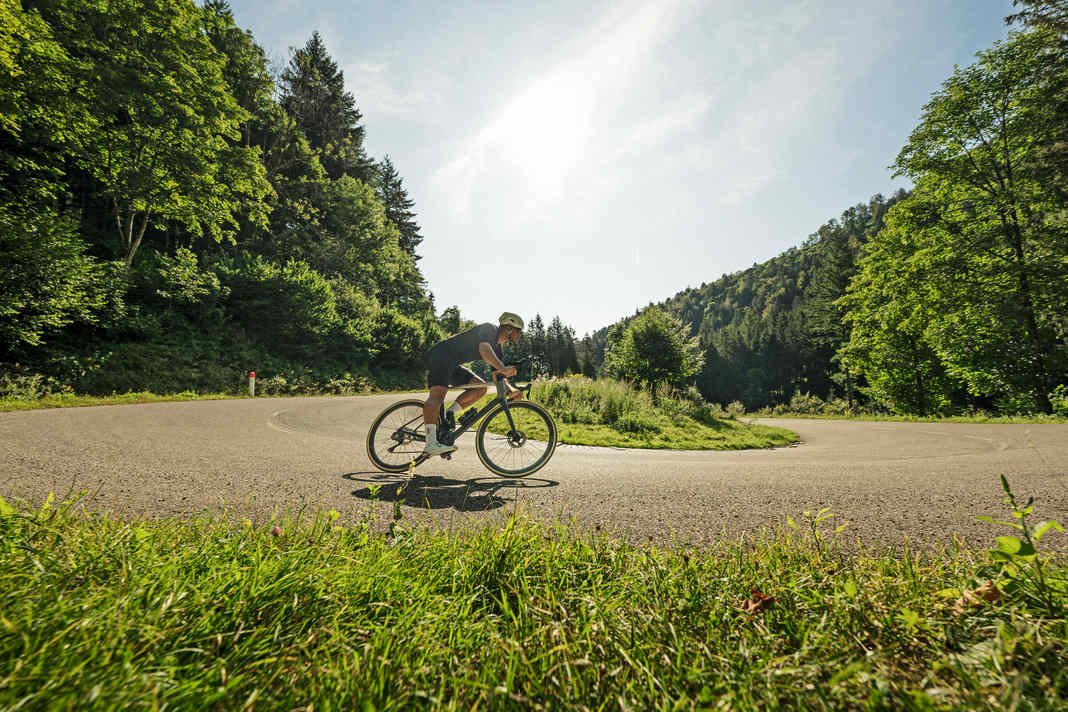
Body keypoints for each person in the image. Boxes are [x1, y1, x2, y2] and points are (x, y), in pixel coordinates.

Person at [422, 312, 525, 455]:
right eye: (519, 331)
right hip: (441, 355)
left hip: (453, 363)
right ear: (509, 328)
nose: (520, 335)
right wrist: (503, 367)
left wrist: (510, 390)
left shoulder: (497, 348)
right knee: (437, 396)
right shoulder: (489, 329)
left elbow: (497, 375)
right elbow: (484, 349)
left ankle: (449, 414)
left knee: (480, 388)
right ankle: (431, 444)